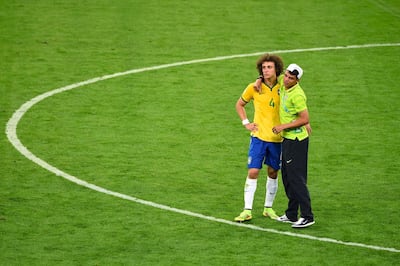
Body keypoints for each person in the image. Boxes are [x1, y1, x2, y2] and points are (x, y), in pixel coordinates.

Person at [234, 54, 284, 222]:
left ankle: (268, 208)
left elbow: (295, 80)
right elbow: (239, 104)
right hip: (258, 137)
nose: (266, 70)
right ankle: (247, 210)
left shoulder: (284, 85)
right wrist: (246, 122)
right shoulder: (254, 87)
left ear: (276, 69)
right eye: (263, 68)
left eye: (269, 67)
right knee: (253, 171)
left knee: (273, 172)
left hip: (277, 139)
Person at [272, 63, 315, 228]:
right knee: (287, 177)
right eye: (287, 76)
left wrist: (283, 126)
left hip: (296, 141)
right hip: (288, 139)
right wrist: (258, 80)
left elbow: (305, 118)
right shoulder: (283, 81)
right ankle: (291, 214)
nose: (287, 80)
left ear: (297, 80)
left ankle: (307, 216)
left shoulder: (297, 95)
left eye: (292, 78)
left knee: (296, 179)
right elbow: (271, 78)